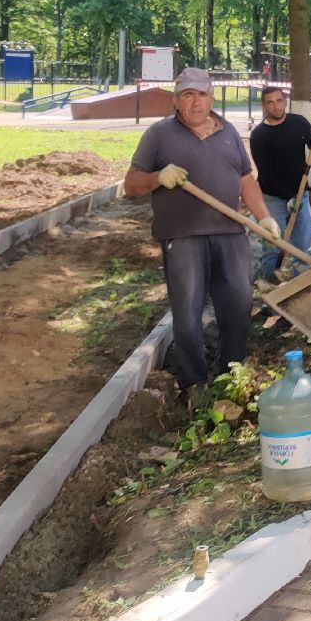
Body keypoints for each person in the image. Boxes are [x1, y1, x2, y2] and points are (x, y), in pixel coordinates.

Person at [124, 66, 279, 401]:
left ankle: (232, 375)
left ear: (211, 97)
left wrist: (264, 217)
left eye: (202, 95)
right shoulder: (159, 135)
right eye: (188, 95)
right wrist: (157, 178)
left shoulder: (229, 132)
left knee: (239, 304)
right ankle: (193, 384)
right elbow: (131, 184)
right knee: (187, 313)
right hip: (182, 238)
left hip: (230, 234)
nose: (196, 102)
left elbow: (245, 179)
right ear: (176, 100)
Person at [249, 85, 311, 282]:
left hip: (301, 195)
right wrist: (290, 197)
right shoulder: (259, 136)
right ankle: (268, 285)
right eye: (270, 103)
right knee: (271, 246)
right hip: (273, 198)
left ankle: (298, 285)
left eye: (279, 101)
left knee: (303, 244)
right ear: (264, 106)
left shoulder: (298, 123)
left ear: (285, 102)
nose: (276, 106)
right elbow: (267, 175)